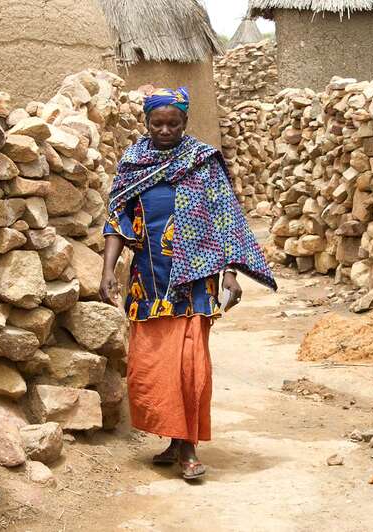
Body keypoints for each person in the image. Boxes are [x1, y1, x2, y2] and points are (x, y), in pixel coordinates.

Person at [99, 86, 276, 480]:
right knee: (152, 363)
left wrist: (230, 273)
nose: (165, 130)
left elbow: (225, 219)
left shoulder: (202, 161)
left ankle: (189, 447)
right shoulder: (132, 163)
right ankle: (175, 439)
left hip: (195, 280)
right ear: (145, 124)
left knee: (190, 363)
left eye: (172, 123)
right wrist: (109, 269)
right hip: (148, 282)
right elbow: (116, 221)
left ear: (184, 123)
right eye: (157, 123)